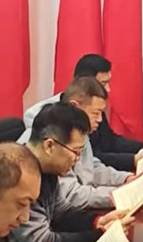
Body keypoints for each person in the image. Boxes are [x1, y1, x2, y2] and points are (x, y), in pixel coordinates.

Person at [13, 102, 134, 242]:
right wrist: (101, 234)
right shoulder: (19, 176)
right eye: (76, 152)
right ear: (49, 146)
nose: (78, 160)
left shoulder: (47, 168)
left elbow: (61, 212)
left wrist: (97, 221)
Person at [20, 77, 134, 210]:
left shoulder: (75, 132)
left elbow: (90, 167)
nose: (100, 120)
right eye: (96, 113)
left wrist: (124, 178)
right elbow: (71, 195)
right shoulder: (51, 148)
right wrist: (119, 195)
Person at [25, 54, 143, 172]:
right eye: (103, 83)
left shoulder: (92, 109)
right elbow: (82, 166)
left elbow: (105, 145)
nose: (108, 89)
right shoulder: (40, 116)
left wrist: (142, 146)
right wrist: (132, 160)